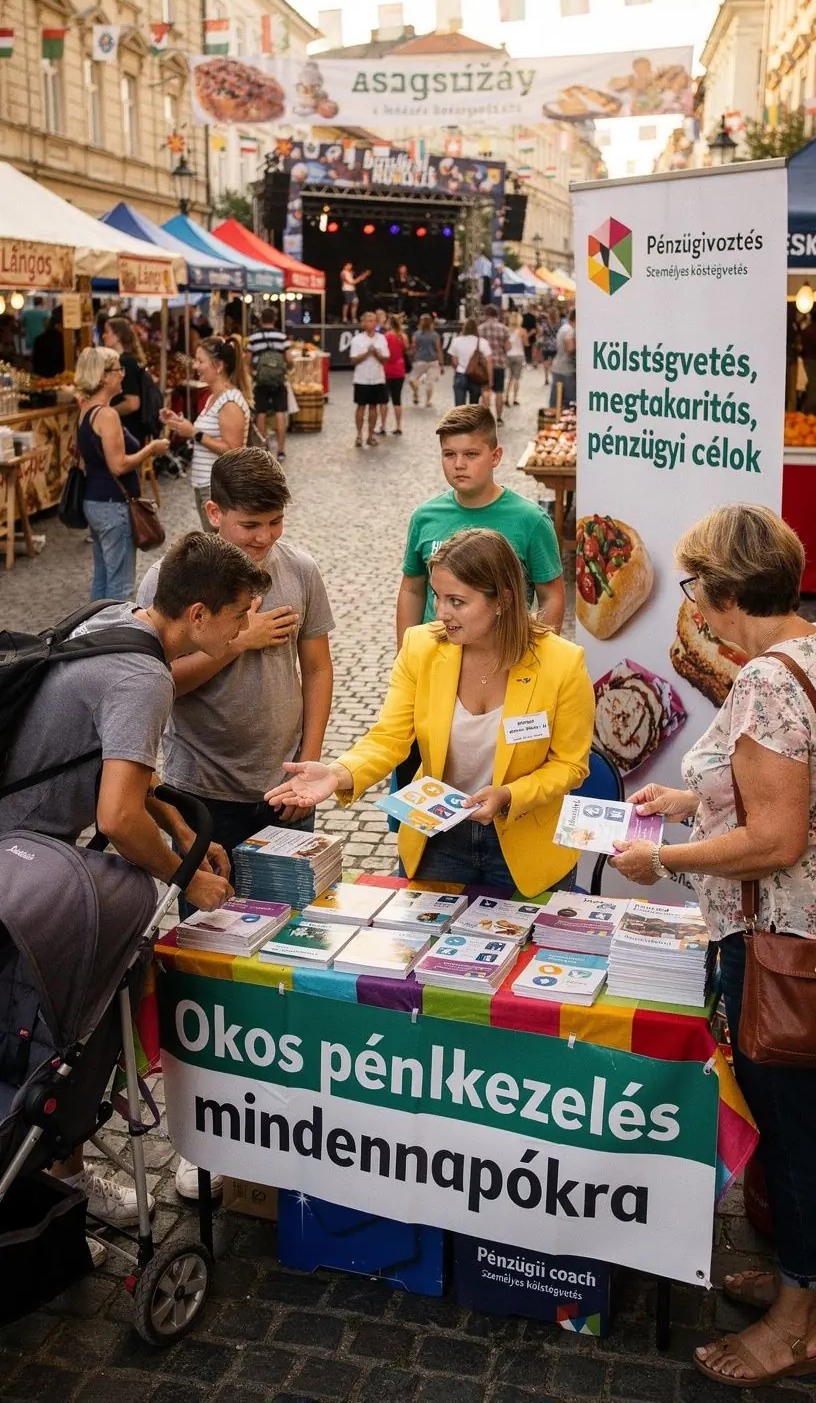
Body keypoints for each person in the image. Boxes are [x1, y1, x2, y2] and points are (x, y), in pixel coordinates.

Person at [0, 531, 270, 1231]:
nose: (245, 628)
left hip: (19, 834)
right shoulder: (145, 679)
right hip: (19, 856)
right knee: (69, 1021)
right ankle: (66, 1174)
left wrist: (179, 826)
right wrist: (186, 876)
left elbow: (115, 764)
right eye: (240, 613)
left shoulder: (115, 619)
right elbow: (117, 817)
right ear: (201, 614)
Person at [610, 504, 816, 1390]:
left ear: (727, 594)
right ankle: (798, 1276)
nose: (690, 599)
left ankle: (799, 1323)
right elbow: (780, 796)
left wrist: (664, 856)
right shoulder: (807, 649)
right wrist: (689, 804)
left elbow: (777, 840)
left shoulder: (770, 679)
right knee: (792, 1126)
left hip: (781, 945)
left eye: (696, 585)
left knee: (797, 1132)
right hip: (794, 934)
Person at [136, 453, 334, 1201]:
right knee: (207, 968)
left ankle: (292, 1117)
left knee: (292, 956)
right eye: (252, 526)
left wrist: (309, 762)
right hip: (199, 792)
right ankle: (201, 1138)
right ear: (212, 513)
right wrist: (236, 643)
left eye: (277, 524)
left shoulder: (300, 570)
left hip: (281, 790)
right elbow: (153, 678)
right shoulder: (170, 582)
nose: (266, 541)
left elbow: (318, 667)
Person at [266, 528, 593, 895]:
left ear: (502, 599)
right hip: (438, 841)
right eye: (437, 597)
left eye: (457, 601)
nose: (441, 613)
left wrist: (508, 796)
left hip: (527, 844)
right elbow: (390, 737)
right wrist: (338, 773)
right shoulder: (422, 647)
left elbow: (570, 764)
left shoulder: (562, 663)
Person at [397, 403, 566, 640]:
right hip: (436, 659)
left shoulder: (531, 521)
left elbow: (551, 596)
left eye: (471, 454)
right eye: (449, 454)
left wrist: (540, 658)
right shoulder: (425, 517)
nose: (458, 464)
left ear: (495, 456)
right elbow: (412, 590)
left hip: (503, 659)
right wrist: (404, 656)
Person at [74, 346, 169, 601]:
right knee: (120, 585)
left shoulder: (85, 410)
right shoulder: (107, 414)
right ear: (104, 376)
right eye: (118, 369)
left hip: (94, 499)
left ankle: (95, 631)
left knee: (103, 577)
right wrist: (151, 448)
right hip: (113, 503)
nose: (122, 375)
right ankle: (114, 637)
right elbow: (118, 465)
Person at [159, 335, 252, 531]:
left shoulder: (230, 402)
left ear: (218, 366)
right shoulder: (213, 398)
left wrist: (195, 433)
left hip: (217, 488)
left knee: (220, 551)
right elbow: (205, 434)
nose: (195, 366)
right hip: (206, 485)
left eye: (201, 361)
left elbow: (232, 450)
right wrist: (178, 423)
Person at [246, 306, 291, 462]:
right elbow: (289, 359)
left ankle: (263, 449)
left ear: (260, 320)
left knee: (261, 413)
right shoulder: (282, 336)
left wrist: (254, 374)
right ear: (274, 319)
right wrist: (285, 370)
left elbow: (247, 362)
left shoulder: (253, 338)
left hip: (261, 380)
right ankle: (281, 451)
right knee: (280, 413)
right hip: (279, 380)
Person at [102, 317, 149, 445]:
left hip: (128, 430)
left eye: (107, 332)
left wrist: (106, 412)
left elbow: (132, 403)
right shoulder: (131, 360)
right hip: (132, 430)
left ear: (118, 336)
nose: (103, 336)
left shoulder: (125, 363)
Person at [350, 311, 389, 447]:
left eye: (373, 321)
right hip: (361, 379)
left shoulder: (381, 339)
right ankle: (359, 435)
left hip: (377, 378)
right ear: (363, 323)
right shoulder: (357, 340)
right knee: (360, 407)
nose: (370, 323)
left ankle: (371, 435)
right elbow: (353, 360)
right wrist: (367, 353)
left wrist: (377, 353)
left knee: (374, 407)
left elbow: (385, 359)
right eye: (368, 321)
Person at [478, 304, 510, 426]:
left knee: (485, 391)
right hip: (499, 363)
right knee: (499, 392)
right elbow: (507, 347)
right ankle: (499, 418)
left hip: (484, 364)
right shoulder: (504, 329)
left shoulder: (480, 328)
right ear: (497, 315)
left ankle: (485, 419)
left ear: (486, 314)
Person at [449, 318, 492, 407]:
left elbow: (454, 361)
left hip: (460, 374)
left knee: (459, 407)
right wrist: (490, 379)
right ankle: (471, 420)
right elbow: (489, 362)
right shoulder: (482, 342)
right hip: (475, 376)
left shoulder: (457, 341)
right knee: (474, 405)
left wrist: (459, 369)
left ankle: (461, 420)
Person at [409, 314, 445, 407]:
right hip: (433, 361)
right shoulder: (435, 335)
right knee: (430, 383)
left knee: (412, 379)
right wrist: (441, 364)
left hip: (419, 360)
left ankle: (416, 393)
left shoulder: (416, 334)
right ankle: (427, 402)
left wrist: (411, 357)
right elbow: (438, 349)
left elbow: (413, 347)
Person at [383, 314, 409, 436]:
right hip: (399, 370)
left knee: (384, 400)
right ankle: (399, 426)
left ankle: (382, 426)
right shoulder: (402, 337)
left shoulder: (386, 336)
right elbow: (406, 350)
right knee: (397, 400)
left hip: (386, 370)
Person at [550, 307, 576, 408]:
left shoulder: (564, 327)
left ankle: (554, 419)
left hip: (558, 366)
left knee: (555, 399)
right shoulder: (570, 329)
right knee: (569, 401)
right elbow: (569, 346)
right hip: (567, 369)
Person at [31, 305, 65, 378]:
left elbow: (35, 364)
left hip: (41, 380)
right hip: (58, 380)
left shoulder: (39, 339)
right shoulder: (63, 340)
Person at [505, 312, 528, 407]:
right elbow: (526, 343)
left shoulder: (507, 331)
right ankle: (514, 399)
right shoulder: (522, 331)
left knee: (509, 378)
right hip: (519, 355)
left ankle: (506, 398)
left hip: (509, 355)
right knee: (517, 378)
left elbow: (505, 346)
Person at [539, 306, 561, 387]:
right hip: (555, 345)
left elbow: (541, 333)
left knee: (545, 362)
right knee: (553, 363)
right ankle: (554, 378)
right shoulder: (559, 323)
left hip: (546, 345)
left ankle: (546, 378)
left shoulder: (545, 323)